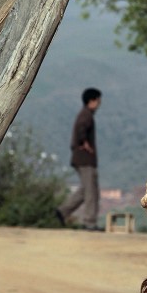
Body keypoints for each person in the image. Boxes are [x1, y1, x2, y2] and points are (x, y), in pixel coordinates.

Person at [58, 88, 103, 231]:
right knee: (90, 192)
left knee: (86, 190)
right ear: (92, 101)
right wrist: (85, 144)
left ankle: (62, 212)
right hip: (85, 159)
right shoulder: (86, 116)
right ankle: (89, 222)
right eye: (98, 101)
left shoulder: (85, 114)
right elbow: (80, 129)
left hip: (81, 159)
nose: (99, 104)